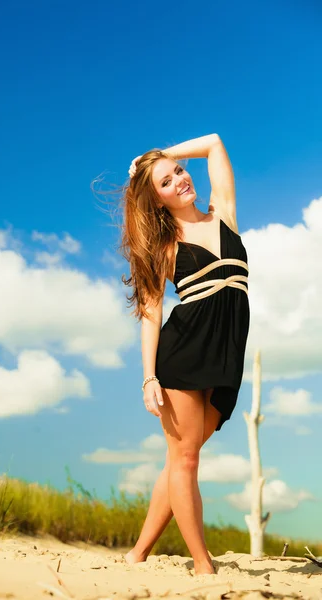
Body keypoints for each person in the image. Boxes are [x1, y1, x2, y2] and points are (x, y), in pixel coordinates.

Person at [119, 134, 250, 575]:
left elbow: (214, 144)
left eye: (179, 171)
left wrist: (160, 157)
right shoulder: (165, 246)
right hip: (183, 354)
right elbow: (151, 316)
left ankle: (137, 554)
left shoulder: (225, 216)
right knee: (186, 460)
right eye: (165, 182)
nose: (179, 180)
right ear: (155, 201)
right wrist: (148, 377)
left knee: (181, 458)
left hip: (225, 353)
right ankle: (202, 565)